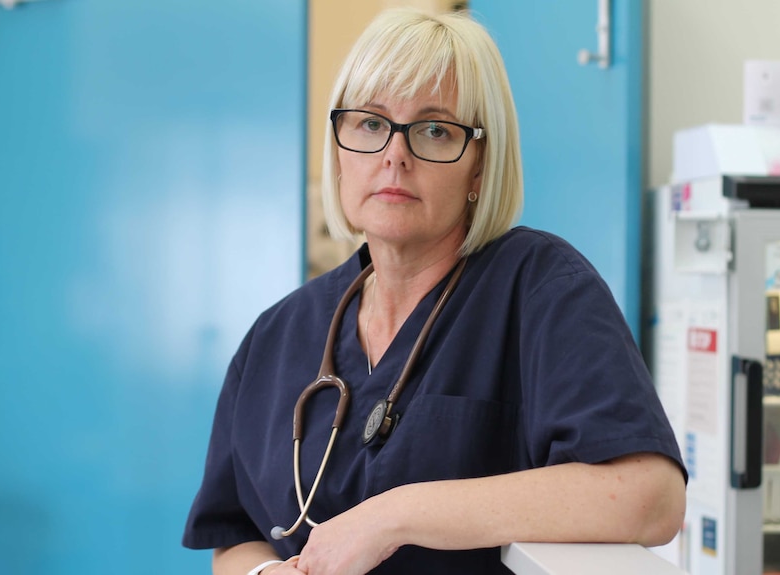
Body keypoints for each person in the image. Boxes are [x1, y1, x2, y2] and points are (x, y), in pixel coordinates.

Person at [182, 7, 687, 575]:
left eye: (435, 130)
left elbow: (649, 497)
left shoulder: (541, 288)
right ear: (340, 150)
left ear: (479, 168)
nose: (395, 154)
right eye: (370, 123)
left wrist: (396, 515)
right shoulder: (277, 336)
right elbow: (235, 538)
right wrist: (263, 573)